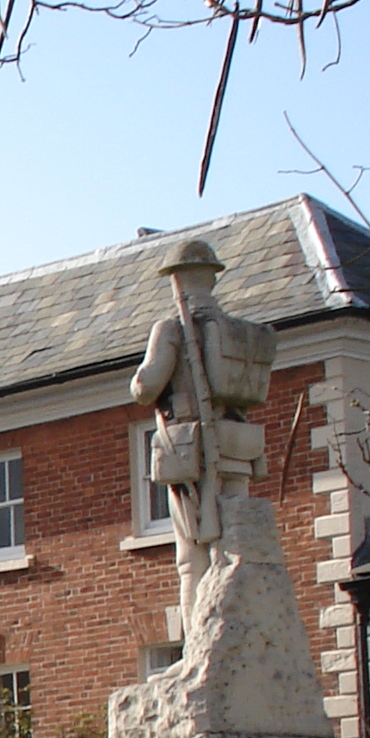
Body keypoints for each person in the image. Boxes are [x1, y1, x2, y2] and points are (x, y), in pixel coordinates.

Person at [129, 238, 277, 621]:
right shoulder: (236, 331)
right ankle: (236, 618)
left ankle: (200, 635)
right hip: (235, 446)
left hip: (190, 450)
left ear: (176, 280)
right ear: (211, 279)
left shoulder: (173, 329)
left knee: (191, 554)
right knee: (234, 539)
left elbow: (145, 388)